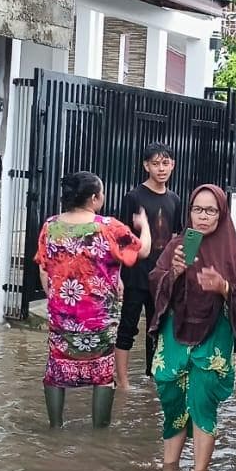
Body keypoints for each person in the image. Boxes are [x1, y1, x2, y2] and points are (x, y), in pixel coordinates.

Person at [148, 184, 236, 471]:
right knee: (171, 397)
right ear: (189, 212)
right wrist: (175, 273)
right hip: (177, 328)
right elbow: (155, 281)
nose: (203, 217)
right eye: (197, 209)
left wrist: (224, 287)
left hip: (213, 332)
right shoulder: (177, 245)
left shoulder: (230, 251)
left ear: (221, 214)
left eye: (210, 210)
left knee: (202, 402)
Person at [34, 171, 149, 428]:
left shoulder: (50, 226)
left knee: (56, 371)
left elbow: (43, 266)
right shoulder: (108, 226)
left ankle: (55, 427)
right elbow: (143, 250)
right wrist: (144, 225)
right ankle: (100, 431)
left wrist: (54, 297)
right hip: (99, 317)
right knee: (102, 375)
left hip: (62, 314)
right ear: (95, 197)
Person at [115, 143, 183, 392]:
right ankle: (123, 383)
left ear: (173, 165)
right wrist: (119, 275)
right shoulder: (134, 197)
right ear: (146, 166)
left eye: (166, 163)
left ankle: (154, 377)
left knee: (159, 328)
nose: (161, 168)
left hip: (162, 276)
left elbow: (176, 237)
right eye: (156, 163)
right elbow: (122, 239)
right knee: (127, 327)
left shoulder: (174, 198)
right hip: (135, 275)